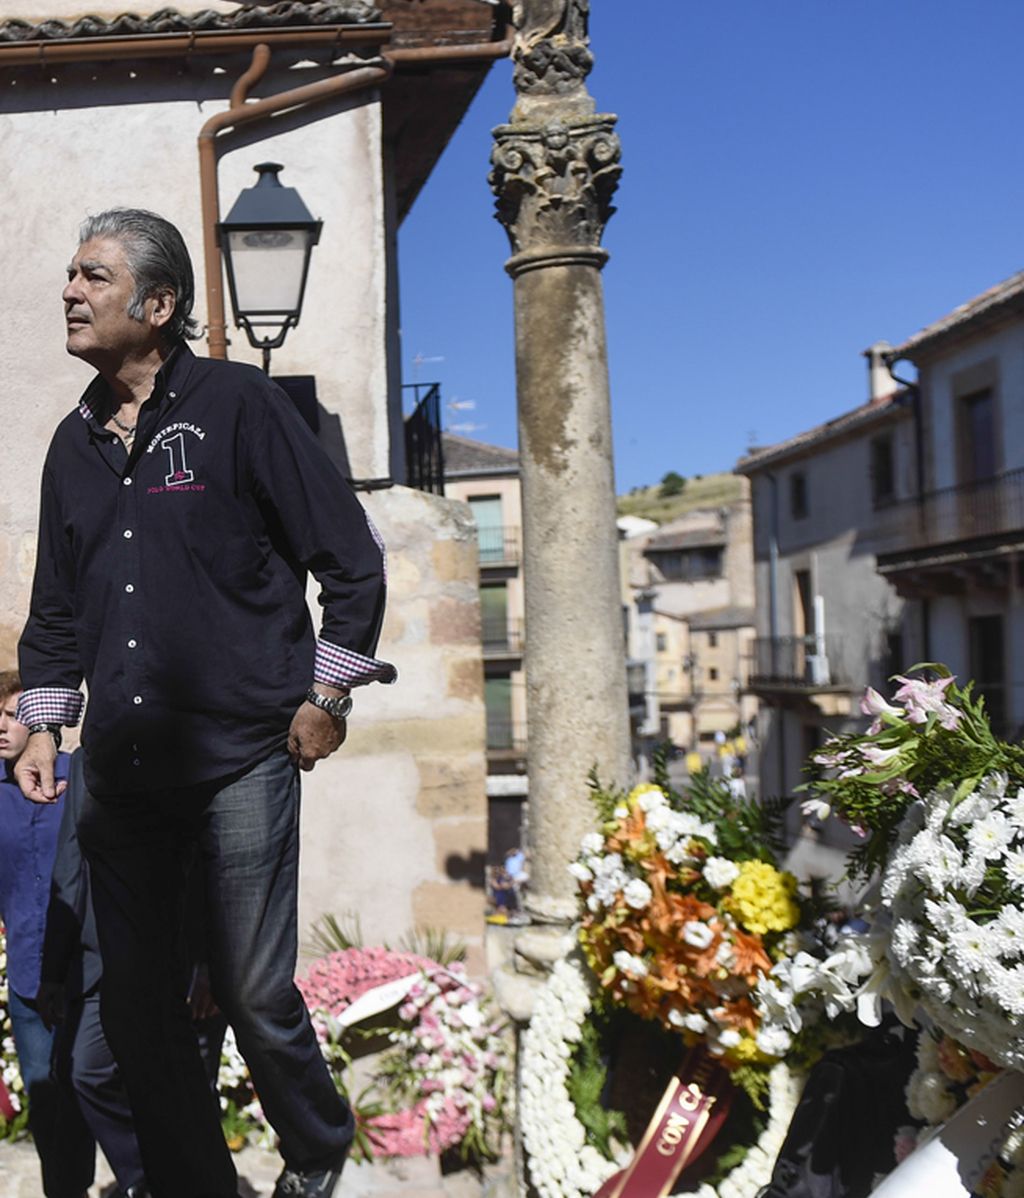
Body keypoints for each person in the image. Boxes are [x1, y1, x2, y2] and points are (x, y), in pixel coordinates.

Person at [15, 208, 395, 1198]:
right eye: (70, 273)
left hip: (240, 755)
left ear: (160, 302)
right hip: (126, 771)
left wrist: (329, 695)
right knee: (135, 1012)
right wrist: (45, 724)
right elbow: (55, 607)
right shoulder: (71, 445)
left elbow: (348, 561)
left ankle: (315, 1149)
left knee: (253, 987)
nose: (70, 290)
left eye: (93, 276)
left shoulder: (239, 406)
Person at [0, 669, 95, 1198]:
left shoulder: (79, 777)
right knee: (46, 1096)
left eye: (15, 714)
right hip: (29, 977)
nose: (3, 726)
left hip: (87, 967)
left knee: (95, 1084)